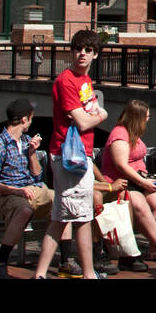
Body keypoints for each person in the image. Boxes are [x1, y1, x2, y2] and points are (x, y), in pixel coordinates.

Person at [34, 29, 106, 279]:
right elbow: (84, 121)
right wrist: (100, 116)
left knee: (63, 218)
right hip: (69, 156)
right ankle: (88, 274)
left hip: (79, 154)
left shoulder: (84, 82)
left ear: (95, 54)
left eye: (88, 50)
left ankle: (42, 274)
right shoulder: (66, 81)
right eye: (77, 49)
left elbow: (90, 112)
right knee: (80, 217)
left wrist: (94, 115)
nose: (81, 54)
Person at [101, 99, 156, 268]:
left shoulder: (135, 134)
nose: (148, 119)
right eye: (146, 116)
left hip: (140, 179)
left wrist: (146, 181)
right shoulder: (120, 134)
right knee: (139, 204)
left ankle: (153, 248)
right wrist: (144, 183)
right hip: (123, 182)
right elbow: (121, 165)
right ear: (137, 117)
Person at [0, 98, 52, 279]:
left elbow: (37, 175)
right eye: (31, 117)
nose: (32, 121)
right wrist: (16, 191)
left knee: (63, 204)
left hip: (32, 189)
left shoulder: (27, 141)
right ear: (23, 120)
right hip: (8, 195)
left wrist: (32, 153)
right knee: (23, 209)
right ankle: (1, 262)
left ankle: (66, 259)